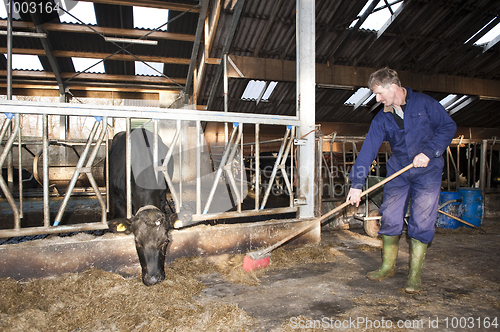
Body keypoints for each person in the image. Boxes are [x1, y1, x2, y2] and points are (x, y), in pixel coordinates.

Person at [346, 67, 457, 293]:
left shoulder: (425, 104)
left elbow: (448, 127)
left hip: (428, 168)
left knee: (422, 218)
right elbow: (368, 150)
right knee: (390, 214)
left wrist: (429, 152)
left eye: (379, 93)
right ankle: (388, 266)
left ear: (393, 87)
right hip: (399, 169)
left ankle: (414, 275)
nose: (377, 99)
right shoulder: (382, 118)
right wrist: (357, 184)